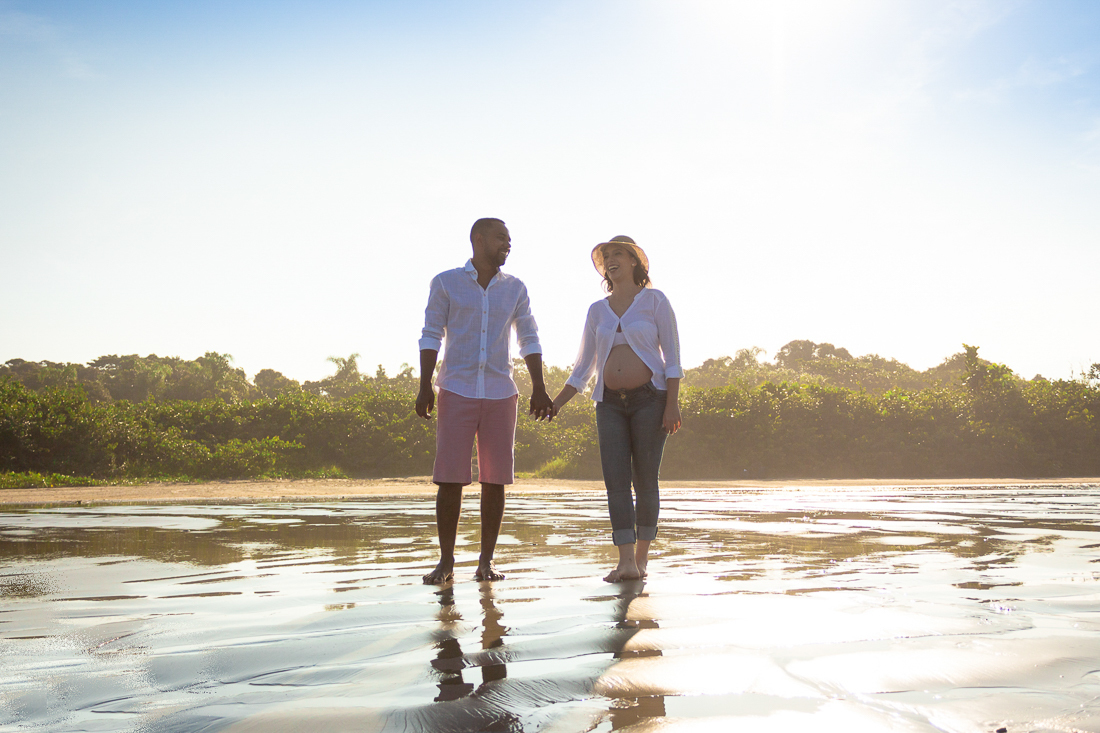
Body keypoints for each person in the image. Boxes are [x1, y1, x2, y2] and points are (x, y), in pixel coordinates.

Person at [416, 217, 555, 584]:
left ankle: (486, 562)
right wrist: (425, 385)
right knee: (450, 479)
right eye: (500, 238)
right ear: (478, 239)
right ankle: (446, 563)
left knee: (495, 481)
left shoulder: (516, 288)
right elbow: (431, 332)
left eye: (509, 239)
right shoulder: (445, 282)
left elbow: (529, 337)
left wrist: (539, 386)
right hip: (456, 389)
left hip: (499, 393)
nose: (507, 244)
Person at [552, 235, 682, 582]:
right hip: (608, 403)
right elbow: (583, 366)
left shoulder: (654, 301)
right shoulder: (597, 310)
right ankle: (624, 560)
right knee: (616, 482)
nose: (611, 260)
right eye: (606, 256)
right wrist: (557, 403)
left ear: (635, 262)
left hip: (650, 401)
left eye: (618, 254)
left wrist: (672, 403)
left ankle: (641, 559)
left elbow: (672, 358)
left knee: (645, 481)